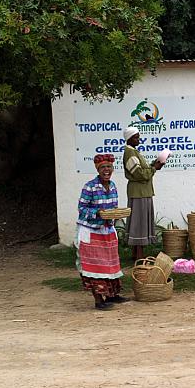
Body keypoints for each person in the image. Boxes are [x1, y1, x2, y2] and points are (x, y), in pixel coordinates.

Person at [75, 154, 129, 310]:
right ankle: (98, 300)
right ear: (98, 170)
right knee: (94, 266)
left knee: (111, 264)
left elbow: (113, 209)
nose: (106, 170)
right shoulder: (89, 186)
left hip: (107, 230)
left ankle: (112, 294)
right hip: (91, 231)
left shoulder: (112, 186)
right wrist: (97, 213)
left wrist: (114, 215)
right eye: (103, 168)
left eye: (109, 167)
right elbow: (82, 209)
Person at [122, 126, 164, 260]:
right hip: (139, 193)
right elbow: (139, 174)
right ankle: (140, 256)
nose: (138, 139)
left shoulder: (134, 152)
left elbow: (142, 169)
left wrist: (155, 164)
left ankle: (136, 254)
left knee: (139, 222)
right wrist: (154, 169)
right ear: (129, 139)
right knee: (139, 223)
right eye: (135, 137)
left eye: (138, 136)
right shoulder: (130, 153)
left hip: (142, 192)